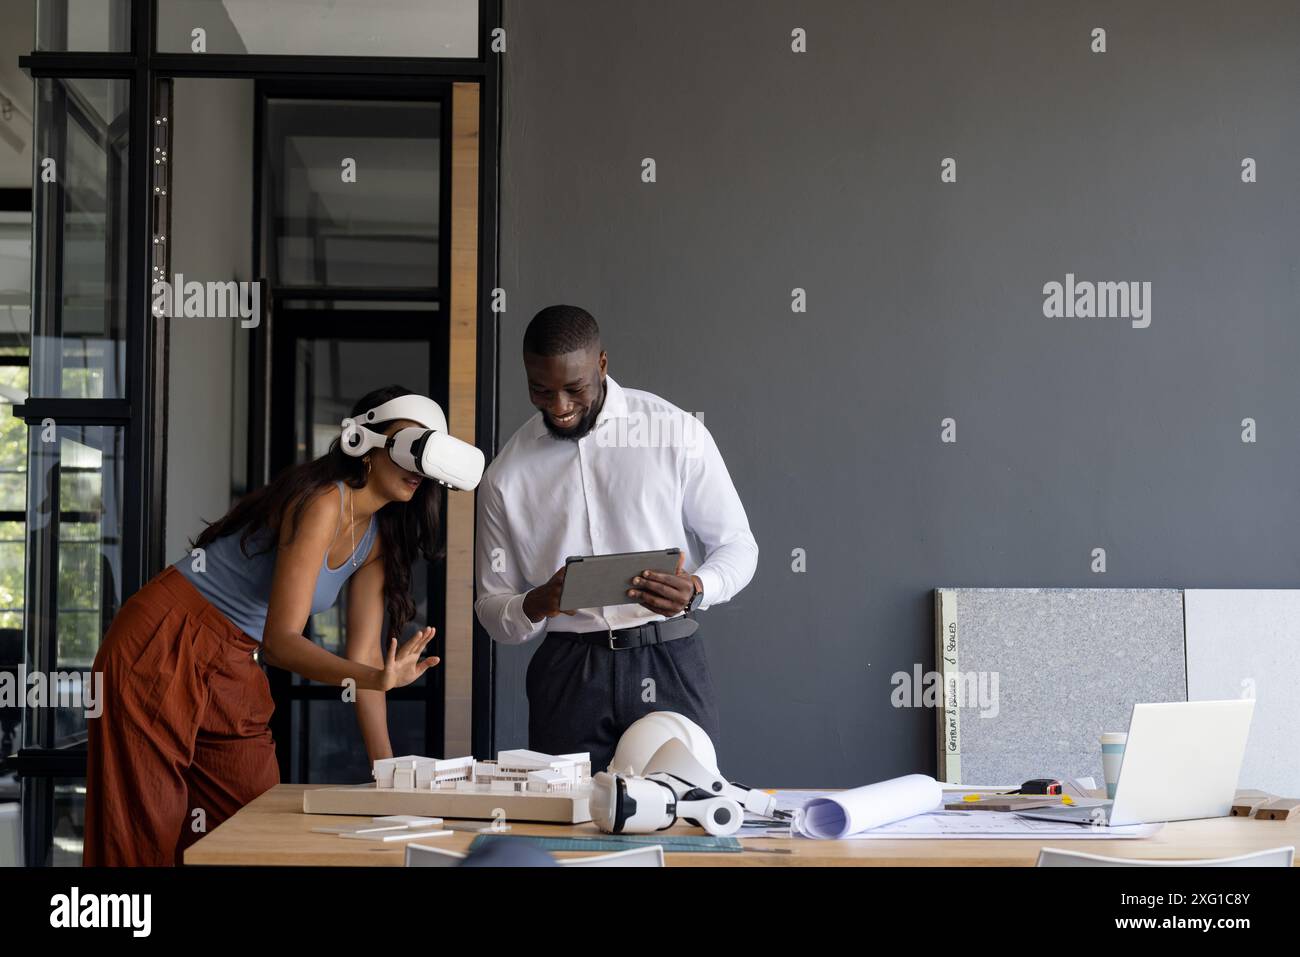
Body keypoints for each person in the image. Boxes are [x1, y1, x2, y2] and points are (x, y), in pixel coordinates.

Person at [84, 385, 449, 866]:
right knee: (142, 826)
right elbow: (281, 643)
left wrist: (389, 775)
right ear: (366, 444)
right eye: (408, 443)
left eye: (428, 450)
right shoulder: (323, 500)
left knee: (251, 817)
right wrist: (371, 676)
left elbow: (364, 659)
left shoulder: (378, 541)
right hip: (164, 635)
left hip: (233, 655)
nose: (417, 463)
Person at [475, 305, 758, 773]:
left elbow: (738, 544)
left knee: (688, 814)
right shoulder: (506, 475)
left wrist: (699, 589)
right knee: (566, 826)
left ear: (602, 364)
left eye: (575, 388)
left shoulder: (674, 432)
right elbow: (492, 609)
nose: (560, 407)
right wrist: (538, 602)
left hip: (668, 660)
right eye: (541, 390)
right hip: (568, 673)